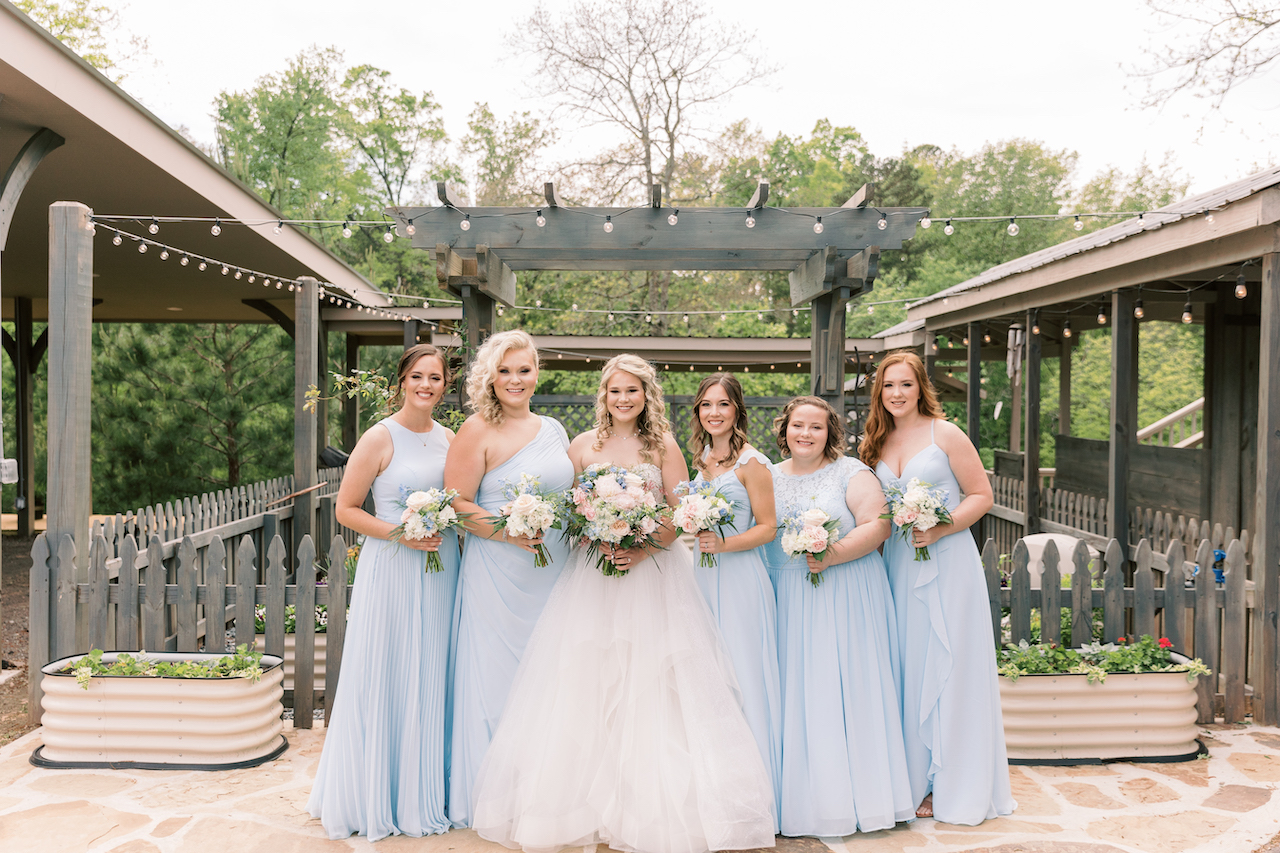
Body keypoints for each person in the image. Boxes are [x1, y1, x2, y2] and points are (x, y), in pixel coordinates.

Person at [470, 354, 776, 853]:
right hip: (592, 574)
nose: (624, 399)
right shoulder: (581, 445)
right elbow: (569, 506)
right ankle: (582, 804)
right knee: (587, 680)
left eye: (633, 391)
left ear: (646, 395)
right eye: (616, 391)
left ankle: (649, 810)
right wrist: (596, 530)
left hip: (652, 574)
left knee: (653, 682)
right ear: (604, 395)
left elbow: (681, 512)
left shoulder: (664, 445)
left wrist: (642, 544)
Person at [307, 343, 460, 840]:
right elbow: (346, 509)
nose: (426, 385)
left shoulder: (449, 438)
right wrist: (402, 534)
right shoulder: (379, 437)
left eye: (435, 378)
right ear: (402, 381)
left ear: (445, 385)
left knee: (432, 667)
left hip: (442, 568)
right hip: (394, 567)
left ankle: (425, 790)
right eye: (418, 376)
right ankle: (377, 792)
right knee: (390, 668)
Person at [862, 351, 1016, 825]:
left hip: (947, 562)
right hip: (899, 565)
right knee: (909, 667)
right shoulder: (874, 442)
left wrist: (942, 526)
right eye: (889, 385)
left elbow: (982, 496)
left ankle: (954, 783)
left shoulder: (944, 433)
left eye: (905, 384)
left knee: (951, 666)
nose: (897, 394)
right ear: (879, 392)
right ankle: (914, 779)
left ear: (920, 386)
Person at [763, 396, 915, 836]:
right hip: (787, 595)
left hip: (844, 591)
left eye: (816, 427)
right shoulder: (768, 475)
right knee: (797, 693)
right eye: (797, 426)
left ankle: (855, 799)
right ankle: (799, 800)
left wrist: (833, 554)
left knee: (842, 688)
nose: (805, 434)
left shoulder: (851, 472)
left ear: (831, 433)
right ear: (784, 430)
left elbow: (878, 524)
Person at [444, 330, 575, 828]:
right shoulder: (476, 431)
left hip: (556, 571)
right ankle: (493, 801)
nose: (515, 380)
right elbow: (456, 503)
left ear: (536, 372)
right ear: (489, 377)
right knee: (498, 680)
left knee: (553, 680)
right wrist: (506, 531)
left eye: (523, 370)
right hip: (498, 573)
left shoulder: (555, 429)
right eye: (504, 371)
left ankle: (546, 796)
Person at [687, 373, 782, 825]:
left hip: (740, 578)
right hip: (703, 580)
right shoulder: (701, 459)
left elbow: (768, 527)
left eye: (723, 404)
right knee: (711, 678)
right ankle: (717, 787)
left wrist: (725, 545)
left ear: (737, 410)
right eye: (706, 405)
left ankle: (756, 798)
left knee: (743, 674)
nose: (714, 413)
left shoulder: (752, 463)